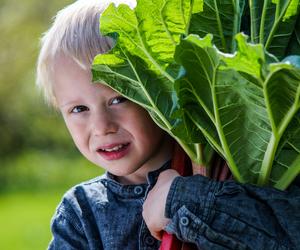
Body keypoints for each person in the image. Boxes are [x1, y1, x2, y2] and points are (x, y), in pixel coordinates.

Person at [36, 0, 300, 249]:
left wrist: (182, 201)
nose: (102, 126)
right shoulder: (80, 214)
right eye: (79, 109)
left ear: (161, 87)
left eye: (119, 98)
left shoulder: (226, 174)